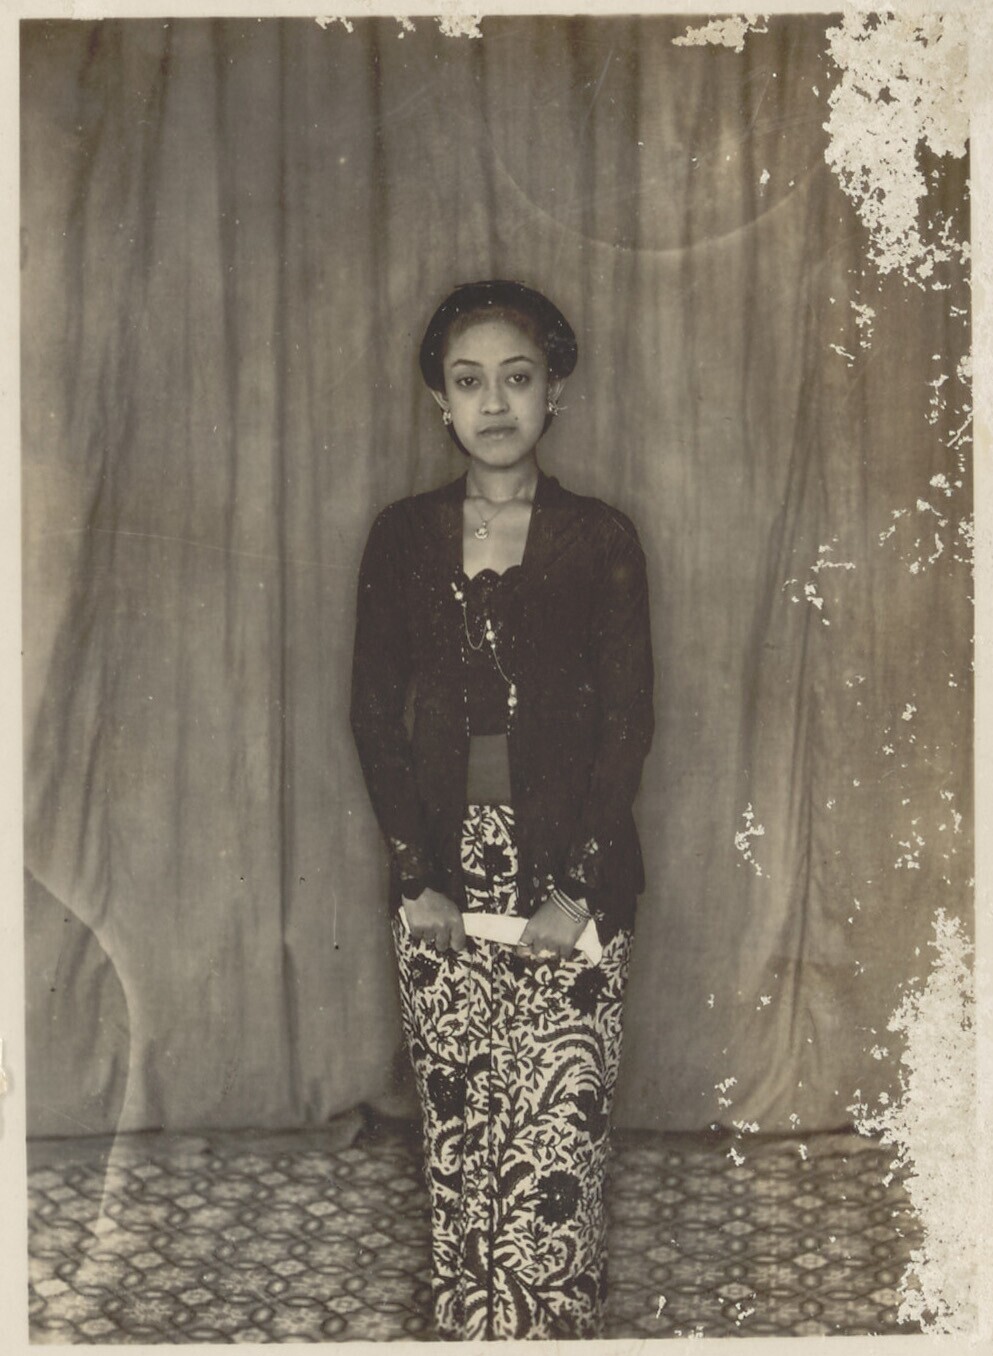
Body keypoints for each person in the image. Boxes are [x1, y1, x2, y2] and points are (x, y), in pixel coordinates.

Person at [350, 279, 654, 1340]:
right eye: (468, 381)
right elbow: (372, 715)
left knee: (554, 1141)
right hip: (439, 871)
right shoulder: (402, 538)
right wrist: (414, 877)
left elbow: (628, 724)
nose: (493, 403)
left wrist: (575, 891)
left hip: (574, 865)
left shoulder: (599, 538)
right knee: (462, 1135)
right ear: (440, 399)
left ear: (552, 390)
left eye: (516, 379)